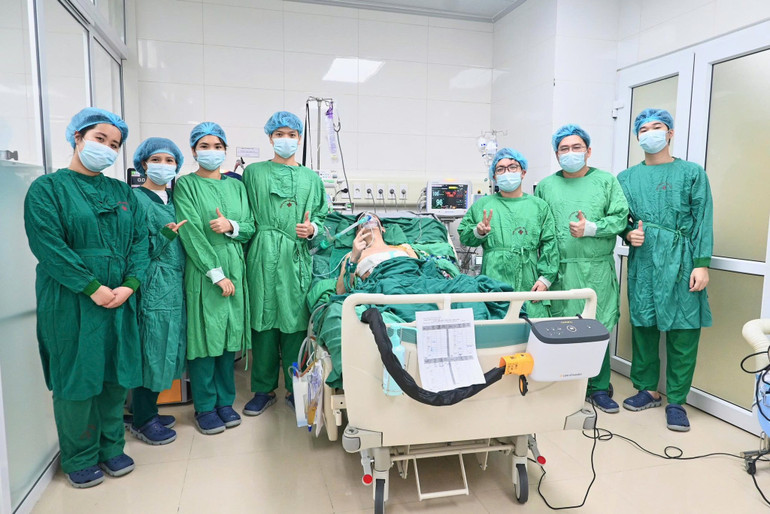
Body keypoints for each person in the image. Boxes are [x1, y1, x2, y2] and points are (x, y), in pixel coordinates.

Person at [23, 108, 148, 488]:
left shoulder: (123, 193)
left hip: (119, 298)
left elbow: (140, 241)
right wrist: (91, 287)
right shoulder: (47, 189)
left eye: (115, 144)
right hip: (71, 299)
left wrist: (130, 284)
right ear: (77, 137)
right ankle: (79, 456)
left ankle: (111, 448)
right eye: (99, 139)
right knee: (76, 378)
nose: (107, 148)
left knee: (114, 375)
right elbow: (48, 246)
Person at [617, 108, 713, 432]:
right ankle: (648, 390)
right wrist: (627, 234)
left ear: (670, 133)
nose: (650, 133)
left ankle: (677, 401)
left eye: (657, 127)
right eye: (643, 129)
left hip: (682, 256)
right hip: (644, 258)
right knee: (644, 324)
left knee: (684, 328)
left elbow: (703, 219)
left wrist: (701, 264)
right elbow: (619, 218)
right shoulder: (626, 179)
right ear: (637, 137)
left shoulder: (692, 173)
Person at [535, 124, 629, 413]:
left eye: (576, 147)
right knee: (562, 328)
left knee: (597, 327)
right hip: (559, 270)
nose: (570, 153)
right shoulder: (546, 186)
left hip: (595, 269)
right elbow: (541, 228)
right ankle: (565, 386)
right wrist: (545, 271)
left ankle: (598, 387)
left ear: (588, 151)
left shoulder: (606, 181)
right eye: (564, 149)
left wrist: (592, 228)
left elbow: (621, 218)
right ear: (556, 154)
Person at [242, 111, 329, 415]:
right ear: (270, 138)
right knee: (263, 322)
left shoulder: (311, 179)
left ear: (299, 138)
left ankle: (297, 389)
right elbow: (245, 214)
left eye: (292, 134)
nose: (286, 139)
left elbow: (323, 217)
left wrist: (312, 229)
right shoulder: (253, 173)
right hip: (262, 252)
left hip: (296, 255)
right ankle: (262, 390)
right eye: (279, 134)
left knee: (295, 324)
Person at [174, 122, 255, 435]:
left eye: (217, 146)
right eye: (204, 146)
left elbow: (250, 227)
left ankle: (225, 402)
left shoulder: (237, 186)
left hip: (235, 263)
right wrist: (215, 274)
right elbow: (190, 232)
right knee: (205, 339)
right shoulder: (186, 185)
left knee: (229, 339)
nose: (211, 152)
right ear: (194, 151)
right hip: (204, 269)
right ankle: (205, 407)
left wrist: (232, 226)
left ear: (225, 150)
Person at [126, 137, 187, 445]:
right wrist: (164, 236)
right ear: (143, 164)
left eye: (170, 160)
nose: (164, 166)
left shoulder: (175, 199)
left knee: (167, 349)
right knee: (151, 349)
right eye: (157, 160)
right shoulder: (135, 199)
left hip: (175, 283)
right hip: (152, 283)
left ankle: (147, 410)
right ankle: (143, 419)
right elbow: (133, 245)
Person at [458, 148, 559, 318]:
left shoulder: (539, 206)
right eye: (500, 169)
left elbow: (550, 244)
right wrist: (478, 232)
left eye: (512, 167)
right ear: (494, 176)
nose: (507, 172)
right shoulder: (483, 205)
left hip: (529, 280)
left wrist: (545, 279)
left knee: (532, 326)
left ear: (523, 172)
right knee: (497, 324)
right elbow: (464, 236)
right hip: (494, 277)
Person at [336, 213, 419, 294]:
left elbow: (421, 270)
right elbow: (341, 291)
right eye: (363, 218)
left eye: (373, 216)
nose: (368, 217)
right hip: (386, 289)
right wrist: (353, 259)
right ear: (358, 232)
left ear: (383, 229)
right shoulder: (354, 255)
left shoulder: (404, 247)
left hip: (415, 285)